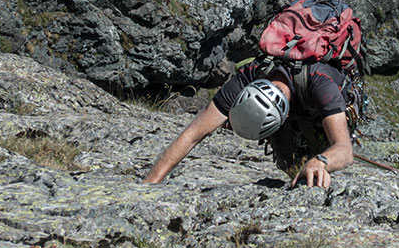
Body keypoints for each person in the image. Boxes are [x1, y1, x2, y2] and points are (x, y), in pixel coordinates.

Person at [143, 59, 354, 188]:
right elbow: (192, 134)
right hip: (295, 108)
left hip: (320, 112)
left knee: (314, 162)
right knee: (289, 165)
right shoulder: (246, 80)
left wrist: (320, 162)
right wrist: (150, 182)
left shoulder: (321, 84)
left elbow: (344, 150)